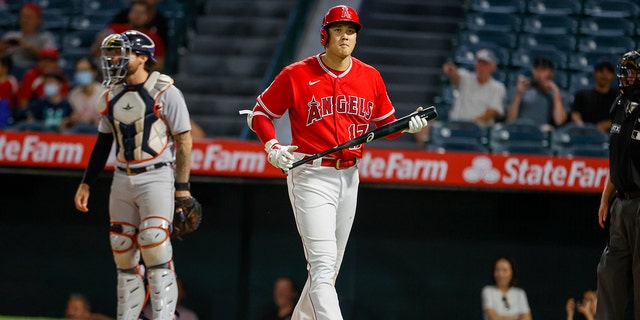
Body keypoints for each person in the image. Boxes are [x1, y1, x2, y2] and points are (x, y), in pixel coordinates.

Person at [242, 5, 428, 319]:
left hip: (350, 177)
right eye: (339, 30)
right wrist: (272, 146)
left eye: (351, 30)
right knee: (323, 264)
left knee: (327, 272)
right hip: (311, 174)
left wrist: (409, 126)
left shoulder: (370, 76)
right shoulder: (296, 74)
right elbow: (260, 114)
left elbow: (387, 125)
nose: (345, 36)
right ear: (324, 35)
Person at [73, 29, 195, 319]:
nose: (114, 58)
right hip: (122, 176)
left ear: (142, 57)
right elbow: (104, 140)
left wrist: (183, 188)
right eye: (112, 53)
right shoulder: (110, 93)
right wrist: (86, 183)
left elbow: (184, 140)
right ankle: (128, 316)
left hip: (156, 175)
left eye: (121, 52)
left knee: (154, 242)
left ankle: (165, 315)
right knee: (122, 247)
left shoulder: (166, 90)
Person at [596, 50, 640, 320]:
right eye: (624, 70)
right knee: (609, 273)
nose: (626, 76)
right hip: (620, 203)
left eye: (632, 70)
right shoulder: (620, 104)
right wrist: (605, 198)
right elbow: (616, 159)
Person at [90, 0, 165, 72]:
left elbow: (159, 64)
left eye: (142, 13)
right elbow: (94, 51)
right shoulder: (115, 30)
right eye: (135, 11)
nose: (137, 15)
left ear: (149, 17)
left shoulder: (153, 38)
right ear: (129, 13)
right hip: (109, 70)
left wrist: (136, 64)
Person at [442, 48, 507, 126]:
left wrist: (470, 125)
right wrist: (451, 71)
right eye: (479, 63)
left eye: (485, 64)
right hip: (455, 124)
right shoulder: (466, 78)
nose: (481, 67)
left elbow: (491, 113)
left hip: (477, 130)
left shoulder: (498, 88)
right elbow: (456, 77)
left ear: (493, 67)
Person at [506, 57, 568, 129]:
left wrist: (556, 92)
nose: (539, 74)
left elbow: (559, 121)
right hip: (520, 129)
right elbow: (510, 120)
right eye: (537, 70)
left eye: (543, 70)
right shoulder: (522, 90)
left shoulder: (558, 95)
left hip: (542, 132)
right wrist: (518, 94)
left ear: (551, 73)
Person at [0, 2, 57, 78]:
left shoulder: (45, 37)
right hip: (9, 72)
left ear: (38, 20)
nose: (25, 20)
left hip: (34, 72)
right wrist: (2, 49)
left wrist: (27, 46)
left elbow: (50, 59)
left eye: (29, 17)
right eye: (23, 17)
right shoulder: (11, 35)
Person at [570, 61, 617, 133]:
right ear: (594, 73)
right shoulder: (581, 95)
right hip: (584, 134)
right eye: (601, 71)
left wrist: (606, 125)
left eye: (608, 72)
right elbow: (575, 114)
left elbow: (620, 118)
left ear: (613, 76)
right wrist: (581, 127)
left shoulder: (618, 98)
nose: (604, 75)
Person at [65, 56, 105, 133]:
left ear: (94, 73)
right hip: (80, 134)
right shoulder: (73, 95)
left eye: (84, 70)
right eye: (78, 71)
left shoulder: (103, 93)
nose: (81, 73)